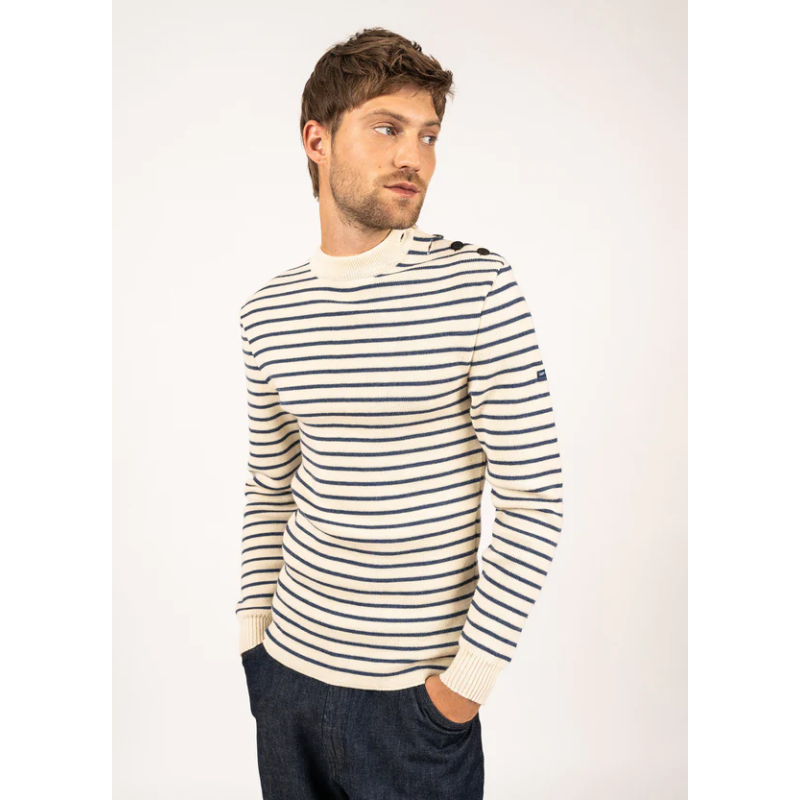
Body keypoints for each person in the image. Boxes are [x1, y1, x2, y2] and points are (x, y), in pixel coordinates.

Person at [236, 26, 565, 800]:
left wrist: (461, 691)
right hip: (286, 682)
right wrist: (254, 645)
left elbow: (534, 500)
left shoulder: (480, 289)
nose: (413, 156)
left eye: (428, 135)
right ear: (317, 140)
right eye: (387, 128)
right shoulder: (267, 312)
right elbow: (270, 488)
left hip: (416, 707)